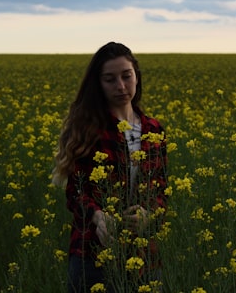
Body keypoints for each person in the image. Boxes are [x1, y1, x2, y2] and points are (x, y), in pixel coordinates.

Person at [52, 42, 168, 292]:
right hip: (93, 254)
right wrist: (98, 216)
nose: (121, 86)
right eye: (110, 79)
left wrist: (148, 215)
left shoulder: (154, 130)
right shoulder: (89, 128)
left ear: (136, 75)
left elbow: (161, 191)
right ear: (99, 84)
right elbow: (75, 192)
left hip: (144, 257)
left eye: (127, 76)